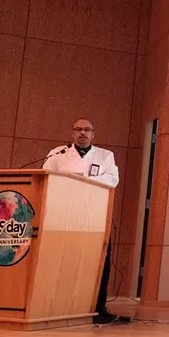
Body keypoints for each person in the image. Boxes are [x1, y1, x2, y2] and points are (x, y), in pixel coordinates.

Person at [43, 118, 120, 324]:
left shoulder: (105, 156)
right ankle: (55, 305)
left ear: (93, 134)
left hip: (94, 215)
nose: (82, 133)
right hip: (62, 216)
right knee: (62, 259)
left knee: (97, 261)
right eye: (78, 129)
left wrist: (82, 180)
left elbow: (112, 180)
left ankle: (98, 307)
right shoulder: (57, 154)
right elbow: (46, 177)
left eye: (87, 130)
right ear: (72, 133)